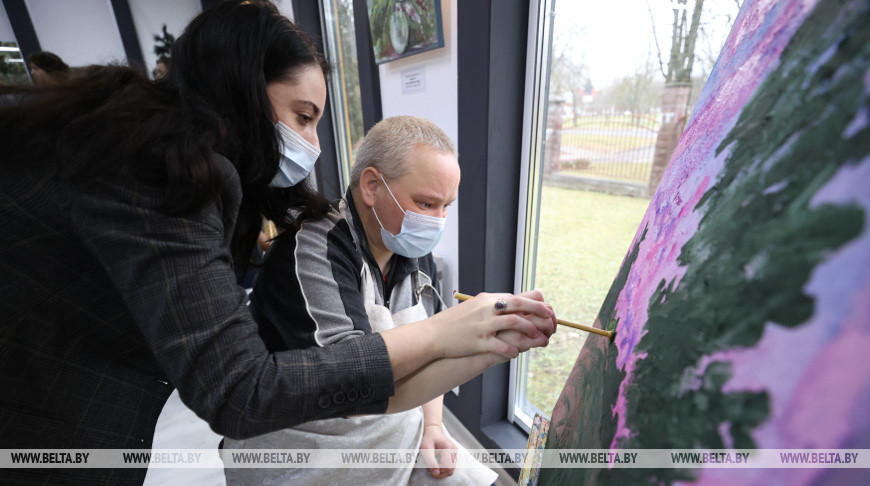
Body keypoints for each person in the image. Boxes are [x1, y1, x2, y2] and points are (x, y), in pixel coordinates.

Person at [0, 2, 556, 485]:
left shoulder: (170, 162)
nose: (311, 146)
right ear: (240, 89)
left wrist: (480, 346)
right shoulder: (159, 172)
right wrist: (445, 334)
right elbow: (241, 391)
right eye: (302, 117)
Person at [224, 116, 510, 485]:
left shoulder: (408, 243)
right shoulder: (313, 250)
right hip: (305, 447)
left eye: (446, 206)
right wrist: (472, 341)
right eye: (425, 203)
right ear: (372, 186)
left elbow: (430, 356)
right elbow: (357, 380)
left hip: (392, 428)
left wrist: (434, 425)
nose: (437, 222)